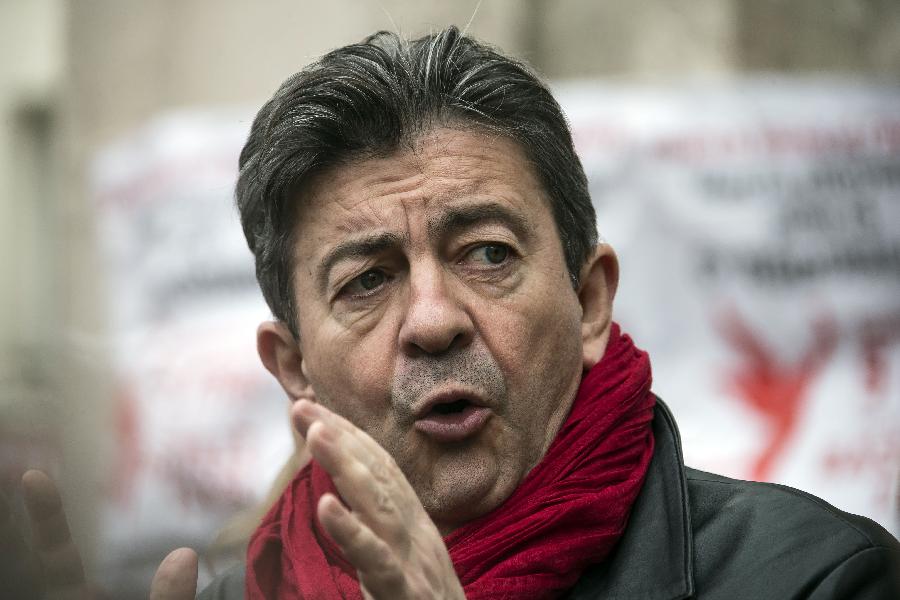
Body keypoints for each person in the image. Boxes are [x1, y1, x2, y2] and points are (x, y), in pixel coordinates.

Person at [5, 26, 900, 599]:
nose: (434, 320)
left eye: (487, 255)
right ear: (295, 368)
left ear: (589, 302)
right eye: (367, 280)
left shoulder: (818, 578)